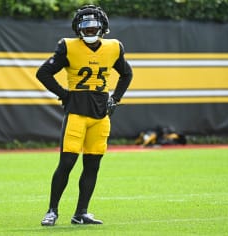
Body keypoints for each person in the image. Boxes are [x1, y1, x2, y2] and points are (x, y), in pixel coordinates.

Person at [36, 4, 133, 226]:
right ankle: (52, 210)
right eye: (85, 27)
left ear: (102, 28)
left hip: (100, 115)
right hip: (77, 114)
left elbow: (127, 74)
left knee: (92, 165)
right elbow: (43, 73)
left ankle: (81, 213)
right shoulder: (68, 47)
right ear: (78, 29)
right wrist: (64, 94)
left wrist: (115, 99)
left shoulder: (114, 48)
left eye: (93, 27)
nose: (89, 31)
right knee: (67, 163)